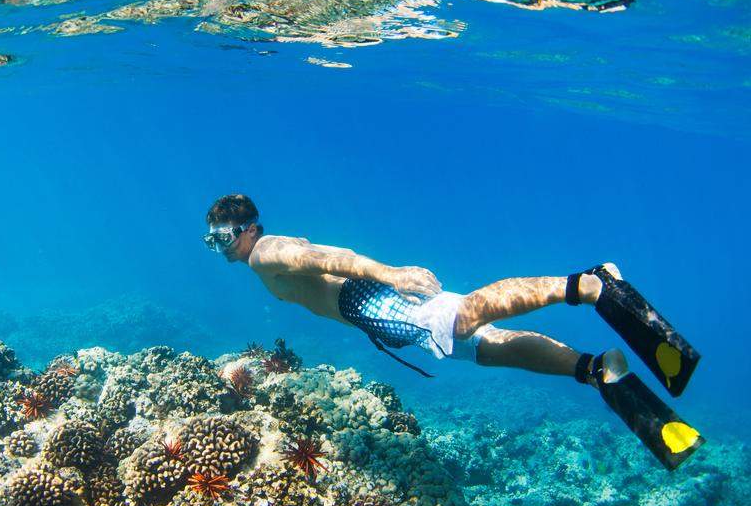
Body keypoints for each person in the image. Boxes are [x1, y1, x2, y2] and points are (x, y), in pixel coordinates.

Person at [203, 193, 704, 469]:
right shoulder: (262, 258)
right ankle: (594, 369)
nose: (221, 246)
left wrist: (390, 275)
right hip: (372, 313)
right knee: (487, 348)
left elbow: (330, 258)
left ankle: (589, 284)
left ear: (249, 228)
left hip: (371, 301)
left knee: (465, 316)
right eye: (212, 241)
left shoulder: (266, 252)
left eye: (224, 236)